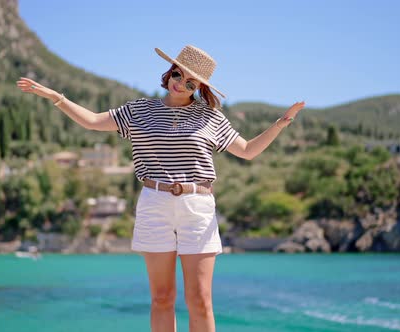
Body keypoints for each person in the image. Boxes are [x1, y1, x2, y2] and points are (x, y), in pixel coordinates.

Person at [17, 45, 305, 332]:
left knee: (200, 300)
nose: (181, 84)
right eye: (178, 75)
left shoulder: (211, 118)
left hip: (197, 207)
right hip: (154, 203)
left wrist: (280, 124)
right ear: (169, 73)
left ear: (199, 88)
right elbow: (91, 121)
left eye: (191, 83)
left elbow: (248, 151)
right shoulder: (139, 110)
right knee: (162, 298)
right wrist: (56, 97)